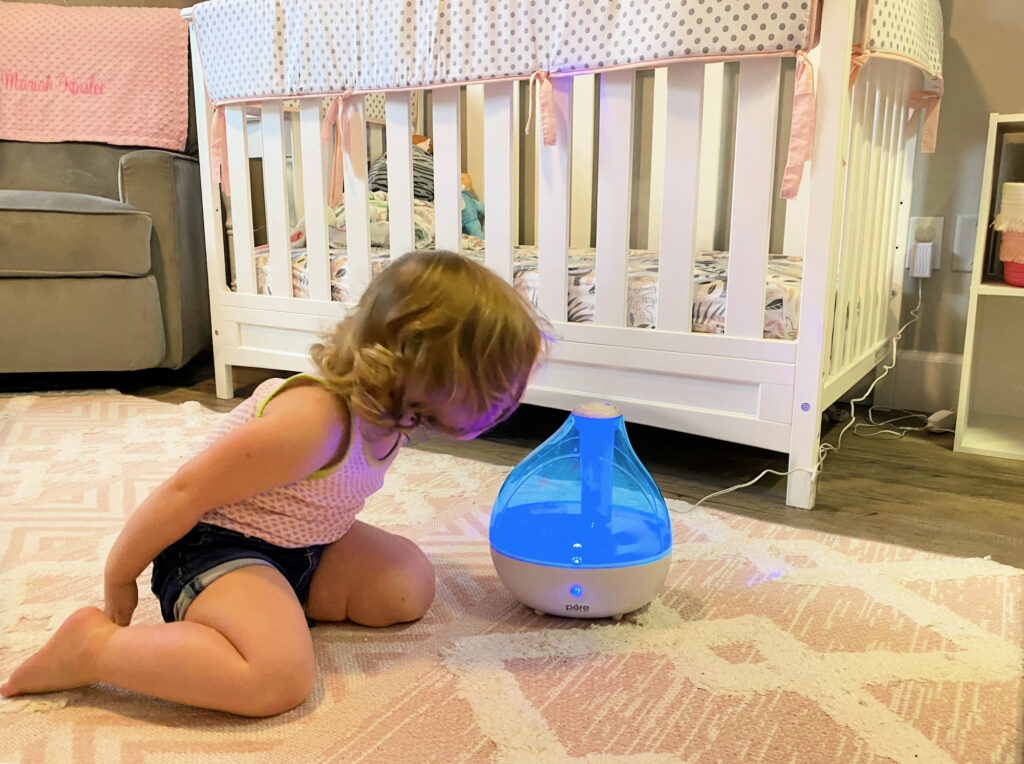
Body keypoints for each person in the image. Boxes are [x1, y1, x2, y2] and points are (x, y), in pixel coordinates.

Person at [1, 250, 546, 717]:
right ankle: (94, 648)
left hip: (304, 542)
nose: (507, 404)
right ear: (420, 360)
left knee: (406, 585)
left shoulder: (396, 414)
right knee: (277, 679)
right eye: (494, 387)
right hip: (213, 548)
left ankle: (272, 606)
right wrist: (120, 574)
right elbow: (186, 492)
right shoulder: (315, 420)